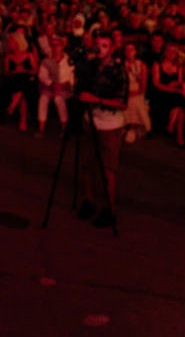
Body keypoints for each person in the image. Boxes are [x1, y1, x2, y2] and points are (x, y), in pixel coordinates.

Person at [76, 34, 128, 229]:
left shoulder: (118, 71)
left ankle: (109, 209)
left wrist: (96, 100)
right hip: (90, 121)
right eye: (97, 45)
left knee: (107, 170)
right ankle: (89, 201)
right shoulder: (91, 66)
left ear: (112, 48)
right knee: (86, 164)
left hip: (110, 125)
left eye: (104, 46)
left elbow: (122, 103)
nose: (100, 49)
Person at [36, 37, 75, 138]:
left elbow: (72, 76)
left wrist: (64, 84)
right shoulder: (46, 61)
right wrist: (52, 84)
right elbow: (43, 76)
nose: (54, 47)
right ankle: (41, 128)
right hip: (50, 87)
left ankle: (64, 127)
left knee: (59, 99)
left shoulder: (68, 60)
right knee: (43, 99)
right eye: (52, 45)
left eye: (57, 45)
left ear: (62, 47)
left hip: (64, 87)